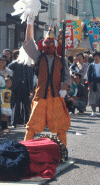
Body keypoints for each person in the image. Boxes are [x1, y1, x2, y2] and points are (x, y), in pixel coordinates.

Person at [23, 14, 71, 146]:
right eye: (46, 43)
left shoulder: (62, 60)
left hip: (56, 96)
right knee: (32, 126)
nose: (48, 46)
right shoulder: (38, 57)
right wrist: (30, 23)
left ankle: (62, 151)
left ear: (55, 45)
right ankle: (26, 149)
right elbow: (28, 43)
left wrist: (63, 88)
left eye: (51, 43)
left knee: (60, 127)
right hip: (40, 96)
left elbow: (67, 76)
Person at [8, 48, 34, 127]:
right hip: (17, 86)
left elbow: (31, 76)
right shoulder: (16, 63)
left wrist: (31, 88)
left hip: (26, 86)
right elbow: (9, 66)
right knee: (17, 105)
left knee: (27, 105)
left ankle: (27, 122)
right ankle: (14, 122)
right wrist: (17, 60)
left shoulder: (29, 64)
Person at [87, 51, 100, 117]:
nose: (96, 57)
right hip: (93, 83)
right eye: (94, 56)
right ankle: (93, 111)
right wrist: (89, 85)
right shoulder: (91, 65)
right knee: (92, 97)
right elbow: (88, 76)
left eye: (97, 56)